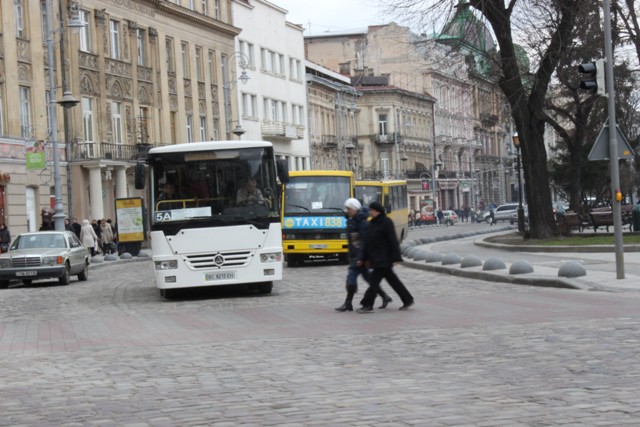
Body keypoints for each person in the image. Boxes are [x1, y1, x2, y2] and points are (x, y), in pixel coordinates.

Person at [335, 198, 392, 312]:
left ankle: (348, 303)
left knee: (351, 278)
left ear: (355, 209)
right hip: (355, 255)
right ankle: (385, 296)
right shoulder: (351, 219)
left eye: (349, 208)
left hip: (360, 256)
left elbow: (364, 242)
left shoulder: (362, 222)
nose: (347, 210)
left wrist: (361, 257)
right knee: (370, 279)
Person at [358, 201, 414, 313]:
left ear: (376, 210)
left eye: (371, 210)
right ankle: (407, 299)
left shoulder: (386, 222)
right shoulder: (372, 223)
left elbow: (393, 240)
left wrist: (396, 257)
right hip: (376, 258)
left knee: (374, 282)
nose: (370, 212)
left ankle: (367, 304)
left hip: (384, 258)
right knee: (393, 281)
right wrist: (364, 258)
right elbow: (367, 242)